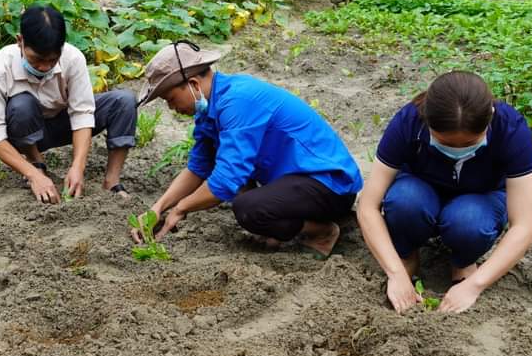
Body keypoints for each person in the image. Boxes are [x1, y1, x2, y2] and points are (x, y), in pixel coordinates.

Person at [134, 41, 363, 256]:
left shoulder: (237, 101)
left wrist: (181, 209)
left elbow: (223, 182)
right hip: (296, 183)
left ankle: (322, 232)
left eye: (171, 98)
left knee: (248, 208)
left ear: (193, 84)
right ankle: (289, 223)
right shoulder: (209, 110)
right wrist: (158, 208)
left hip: (330, 185)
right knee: (243, 189)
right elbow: (198, 168)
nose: (171, 107)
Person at [357, 71, 532, 314]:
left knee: (469, 221)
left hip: (480, 199)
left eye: (468, 143)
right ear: (426, 120)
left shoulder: (510, 129)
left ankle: (463, 262)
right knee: (405, 201)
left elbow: (526, 225)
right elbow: (368, 205)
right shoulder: (409, 122)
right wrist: (395, 273)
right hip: (420, 191)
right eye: (445, 142)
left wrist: (475, 286)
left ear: (490, 119)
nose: (456, 149)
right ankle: (407, 256)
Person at [0, 4, 137, 203]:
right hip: (21, 131)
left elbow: (82, 114)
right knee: (21, 106)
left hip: (64, 124)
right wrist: (33, 176)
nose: (44, 67)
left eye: (52, 60)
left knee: (124, 101)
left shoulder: (73, 59)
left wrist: (77, 167)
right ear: (20, 41)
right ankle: (36, 163)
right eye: (36, 59)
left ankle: (112, 181)